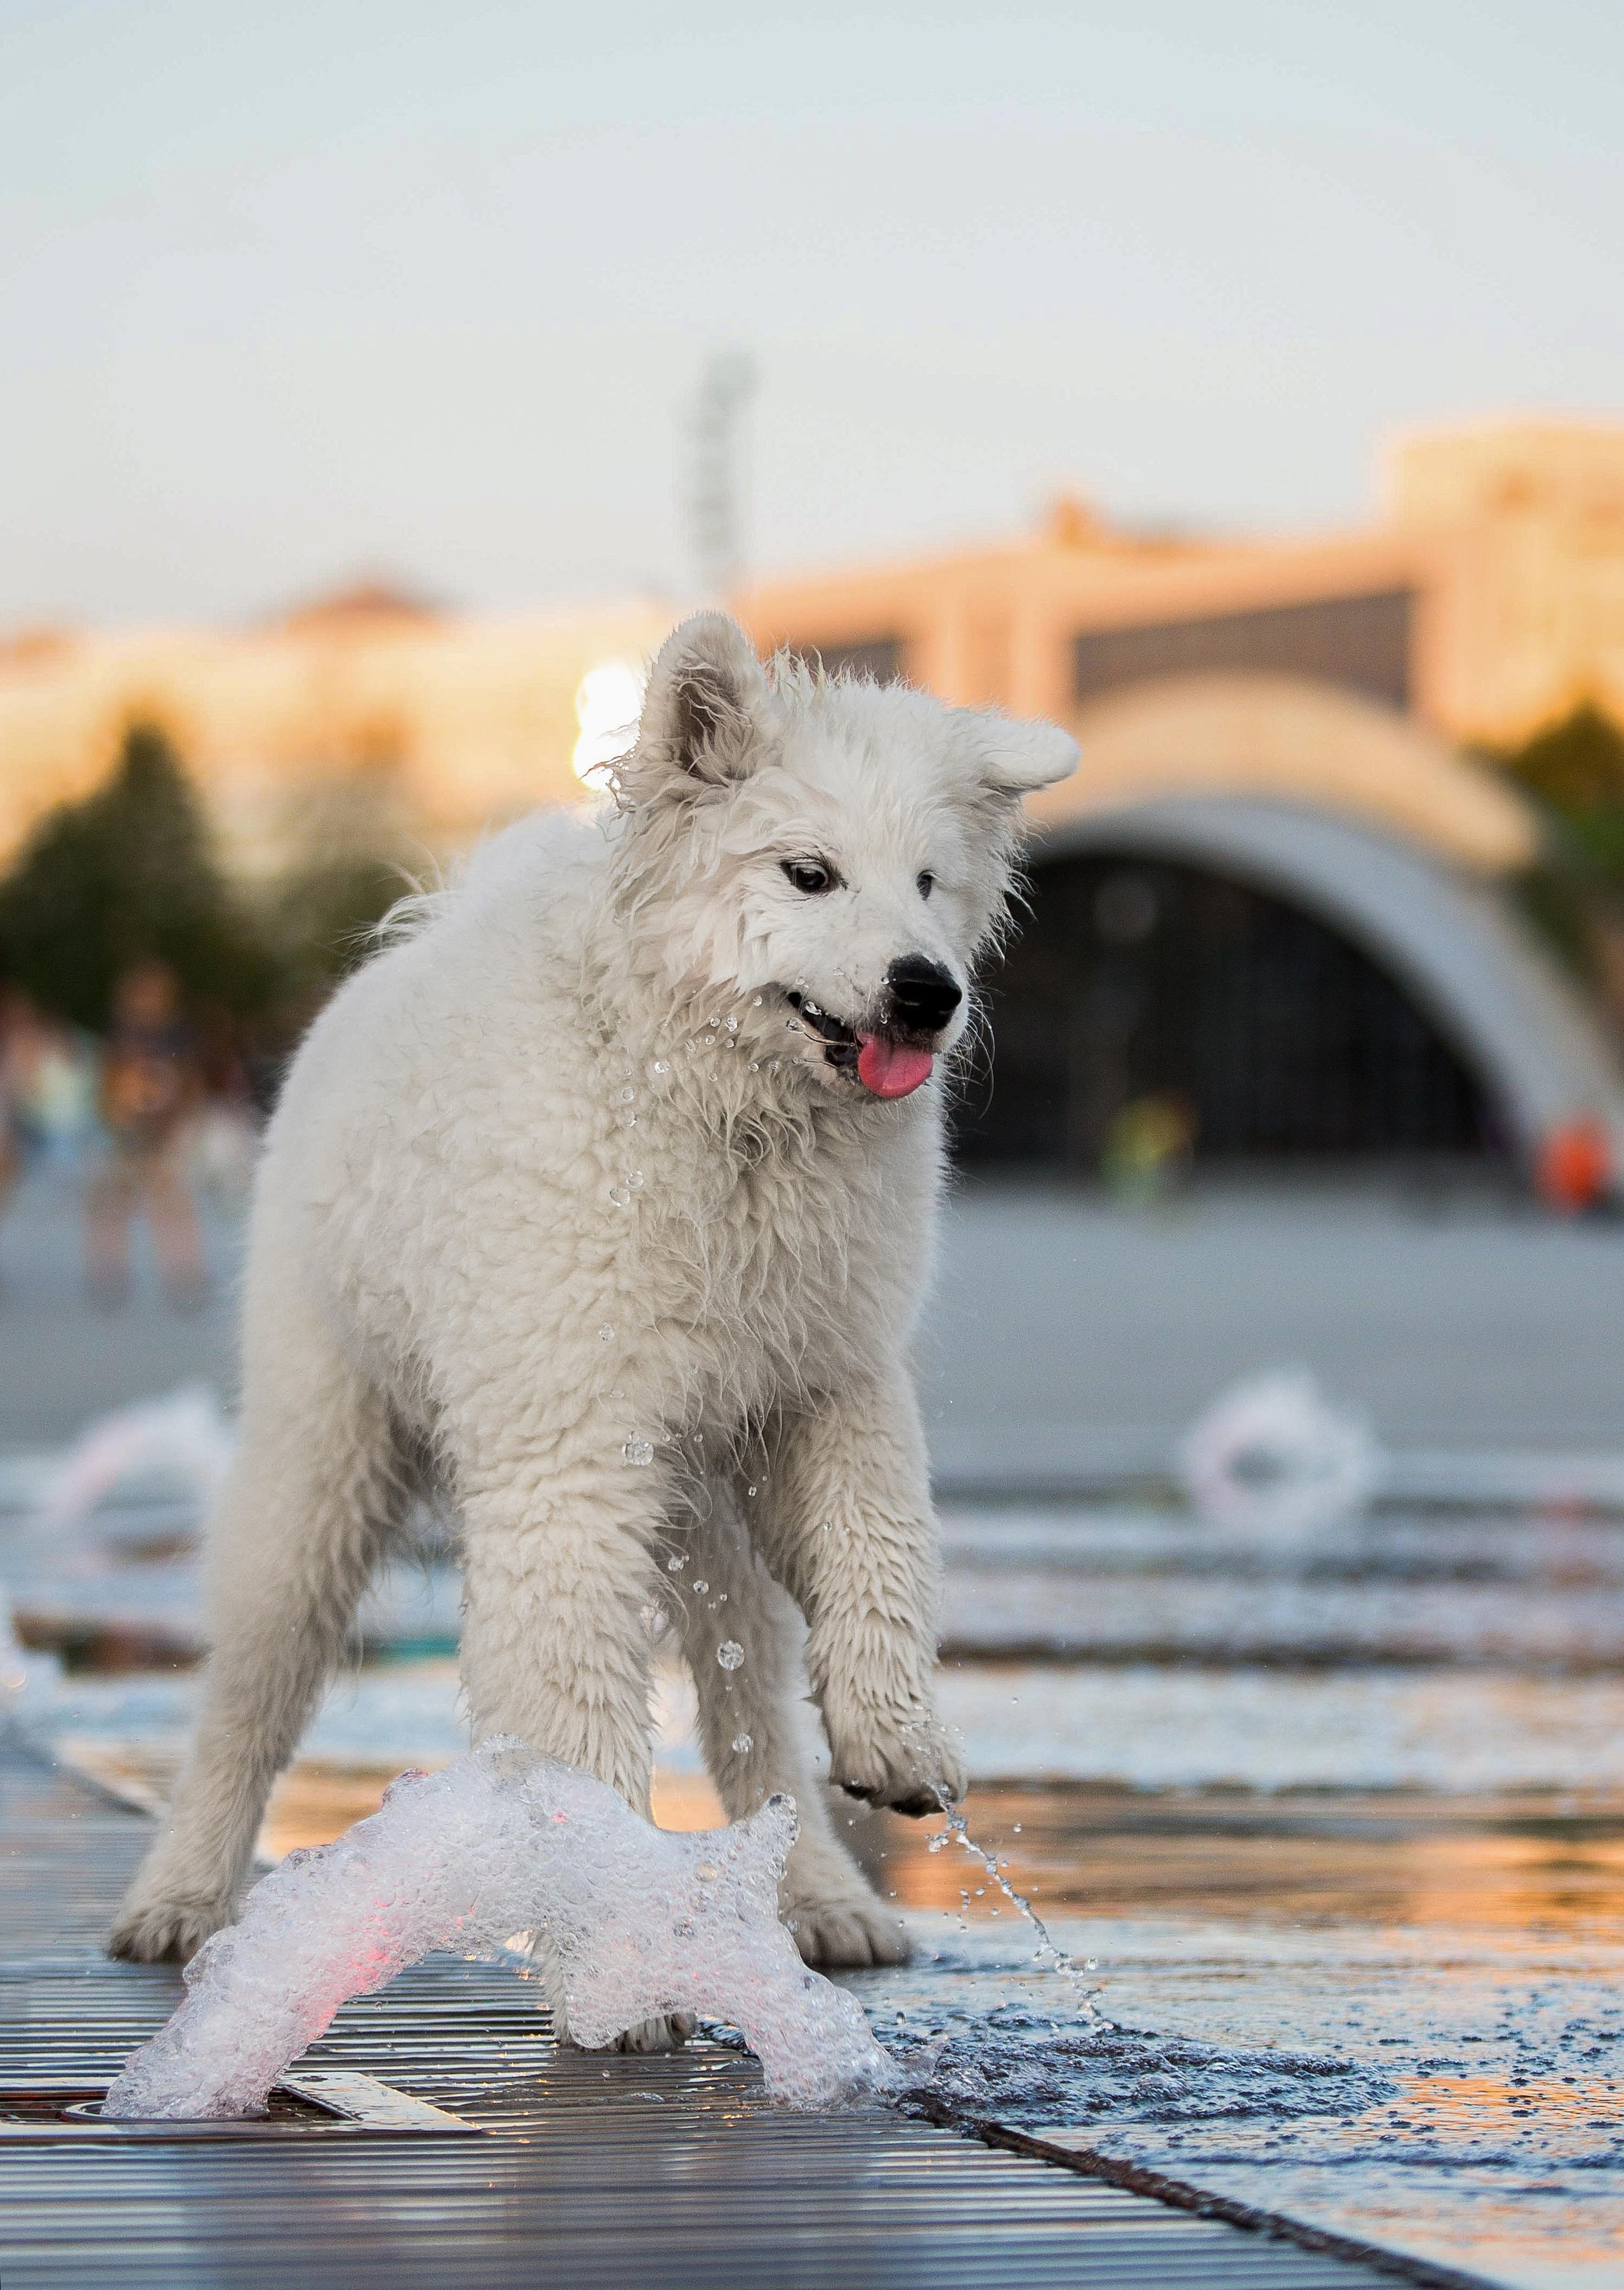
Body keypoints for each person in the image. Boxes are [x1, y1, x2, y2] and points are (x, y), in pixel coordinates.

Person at [86, 960, 209, 1309]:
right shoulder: (120, 1034)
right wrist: (116, 1114)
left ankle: (184, 1272)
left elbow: (189, 1084)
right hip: (125, 1131)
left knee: (171, 1202)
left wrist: (179, 1120)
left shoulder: (177, 1035)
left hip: (165, 1131)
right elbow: (108, 1082)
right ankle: (109, 1271)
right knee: (111, 1202)